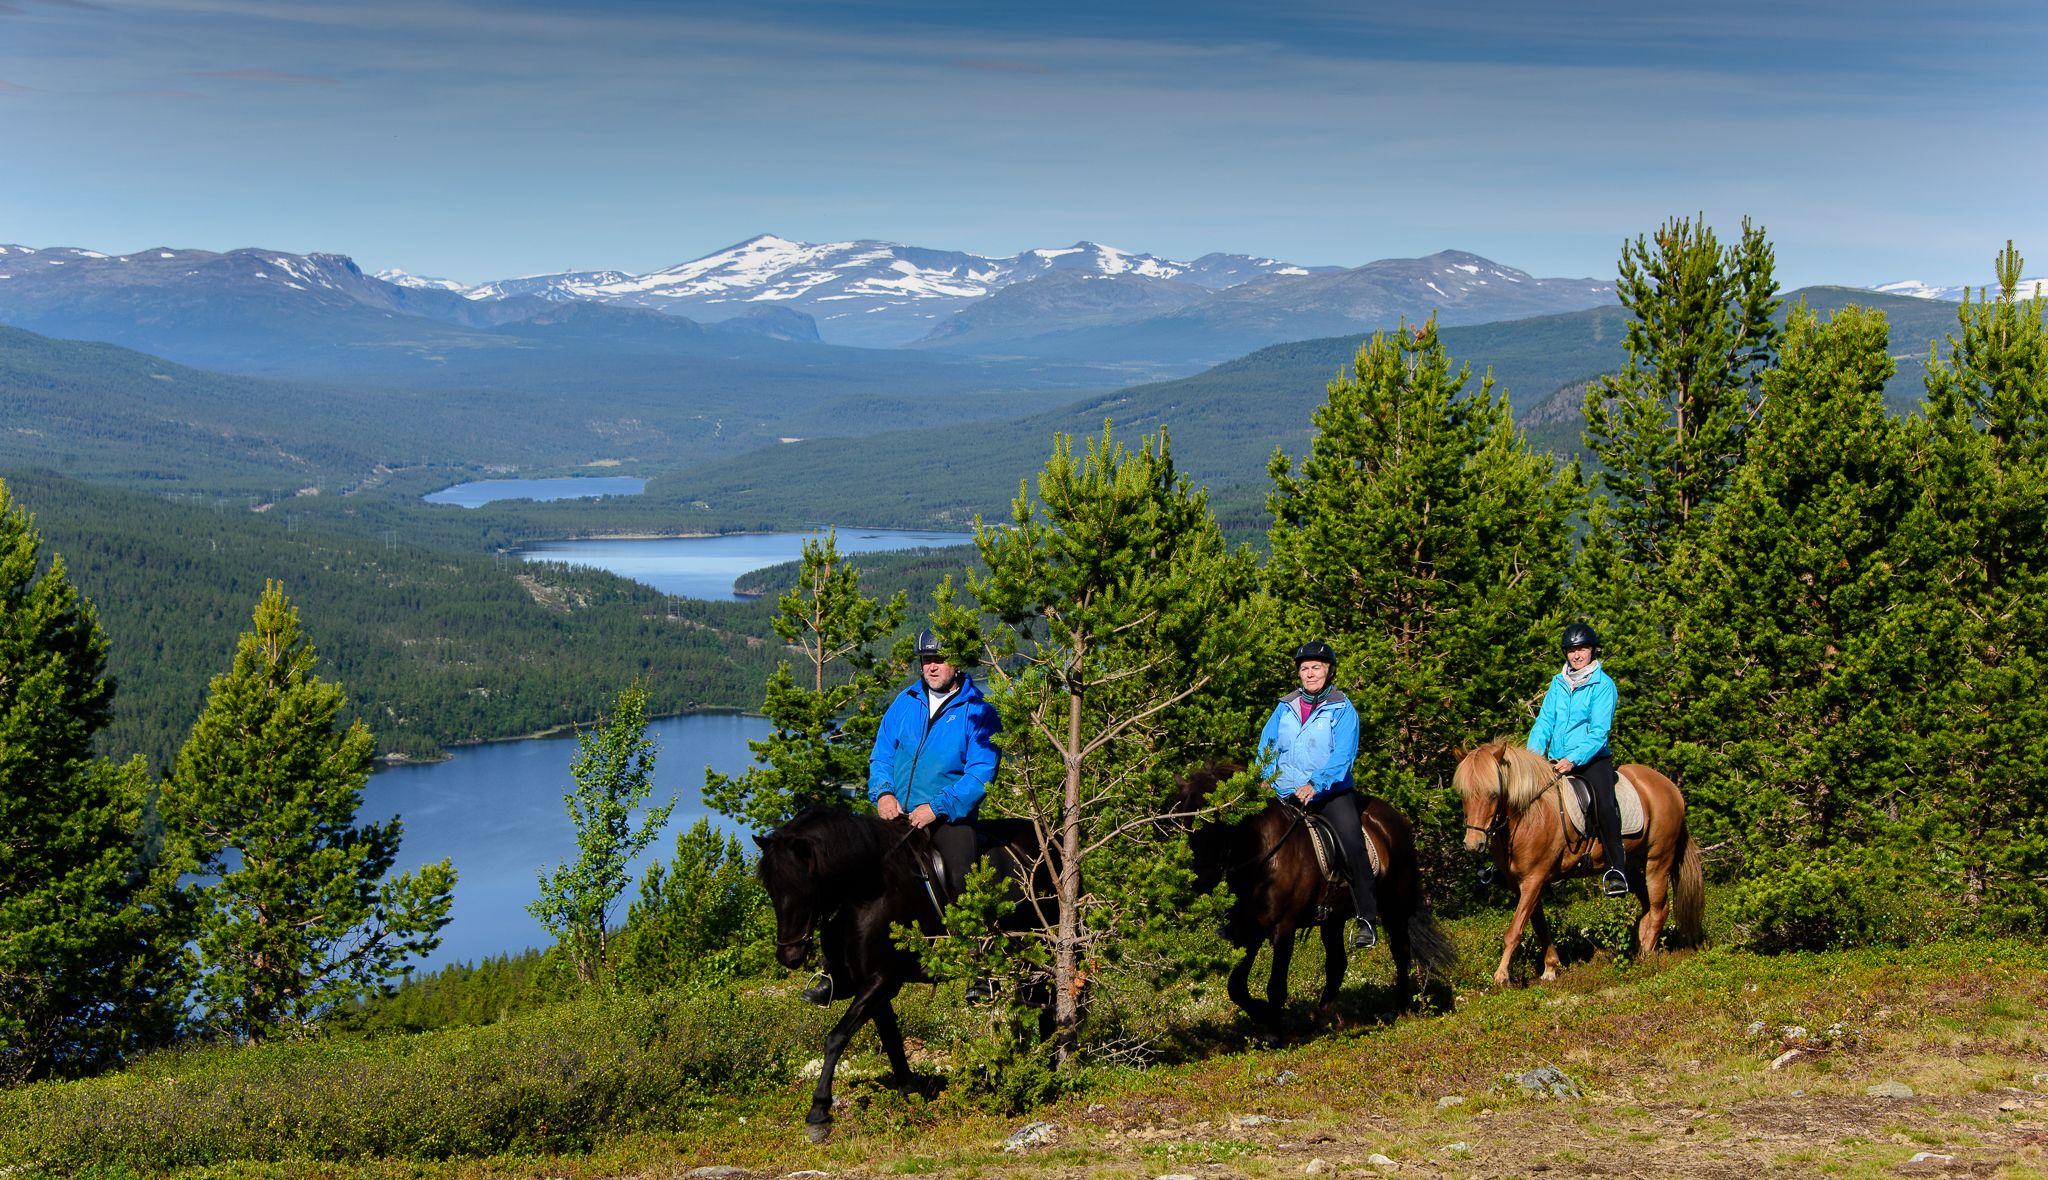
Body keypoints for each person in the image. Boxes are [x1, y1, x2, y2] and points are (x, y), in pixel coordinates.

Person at [800, 627, 1000, 1006]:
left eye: (939, 658)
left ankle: (981, 968)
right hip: (897, 816)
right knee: (847, 873)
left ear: (956, 662)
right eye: (926, 660)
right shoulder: (905, 703)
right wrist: (883, 793)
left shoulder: (979, 712)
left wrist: (938, 806)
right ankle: (835, 970)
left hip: (949, 820)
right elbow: (881, 756)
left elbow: (980, 774)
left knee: (962, 875)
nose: (932, 666)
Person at [1256, 639, 1381, 950]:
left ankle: (1367, 918)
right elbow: (1267, 745)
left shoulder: (1342, 708)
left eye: (1316, 668)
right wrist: (1264, 776)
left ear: (1328, 671)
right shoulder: (1284, 707)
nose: (1309, 674)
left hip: (1328, 794)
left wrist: (1316, 783)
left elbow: (1343, 756)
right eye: (1304, 669)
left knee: (1353, 843)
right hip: (1283, 791)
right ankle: (1241, 911)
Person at [1527, 622, 1628, 896]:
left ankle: (1616, 869)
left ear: (1592, 650)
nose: (1576, 655)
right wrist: (1533, 759)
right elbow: (1544, 722)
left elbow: (1598, 733)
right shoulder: (1557, 682)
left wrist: (1573, 759)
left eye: (1581, 648)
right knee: (1522, 798)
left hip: (1591, 760)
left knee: (1605, 805)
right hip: (1555, 760)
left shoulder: (1603, 685)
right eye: (1571, 650)